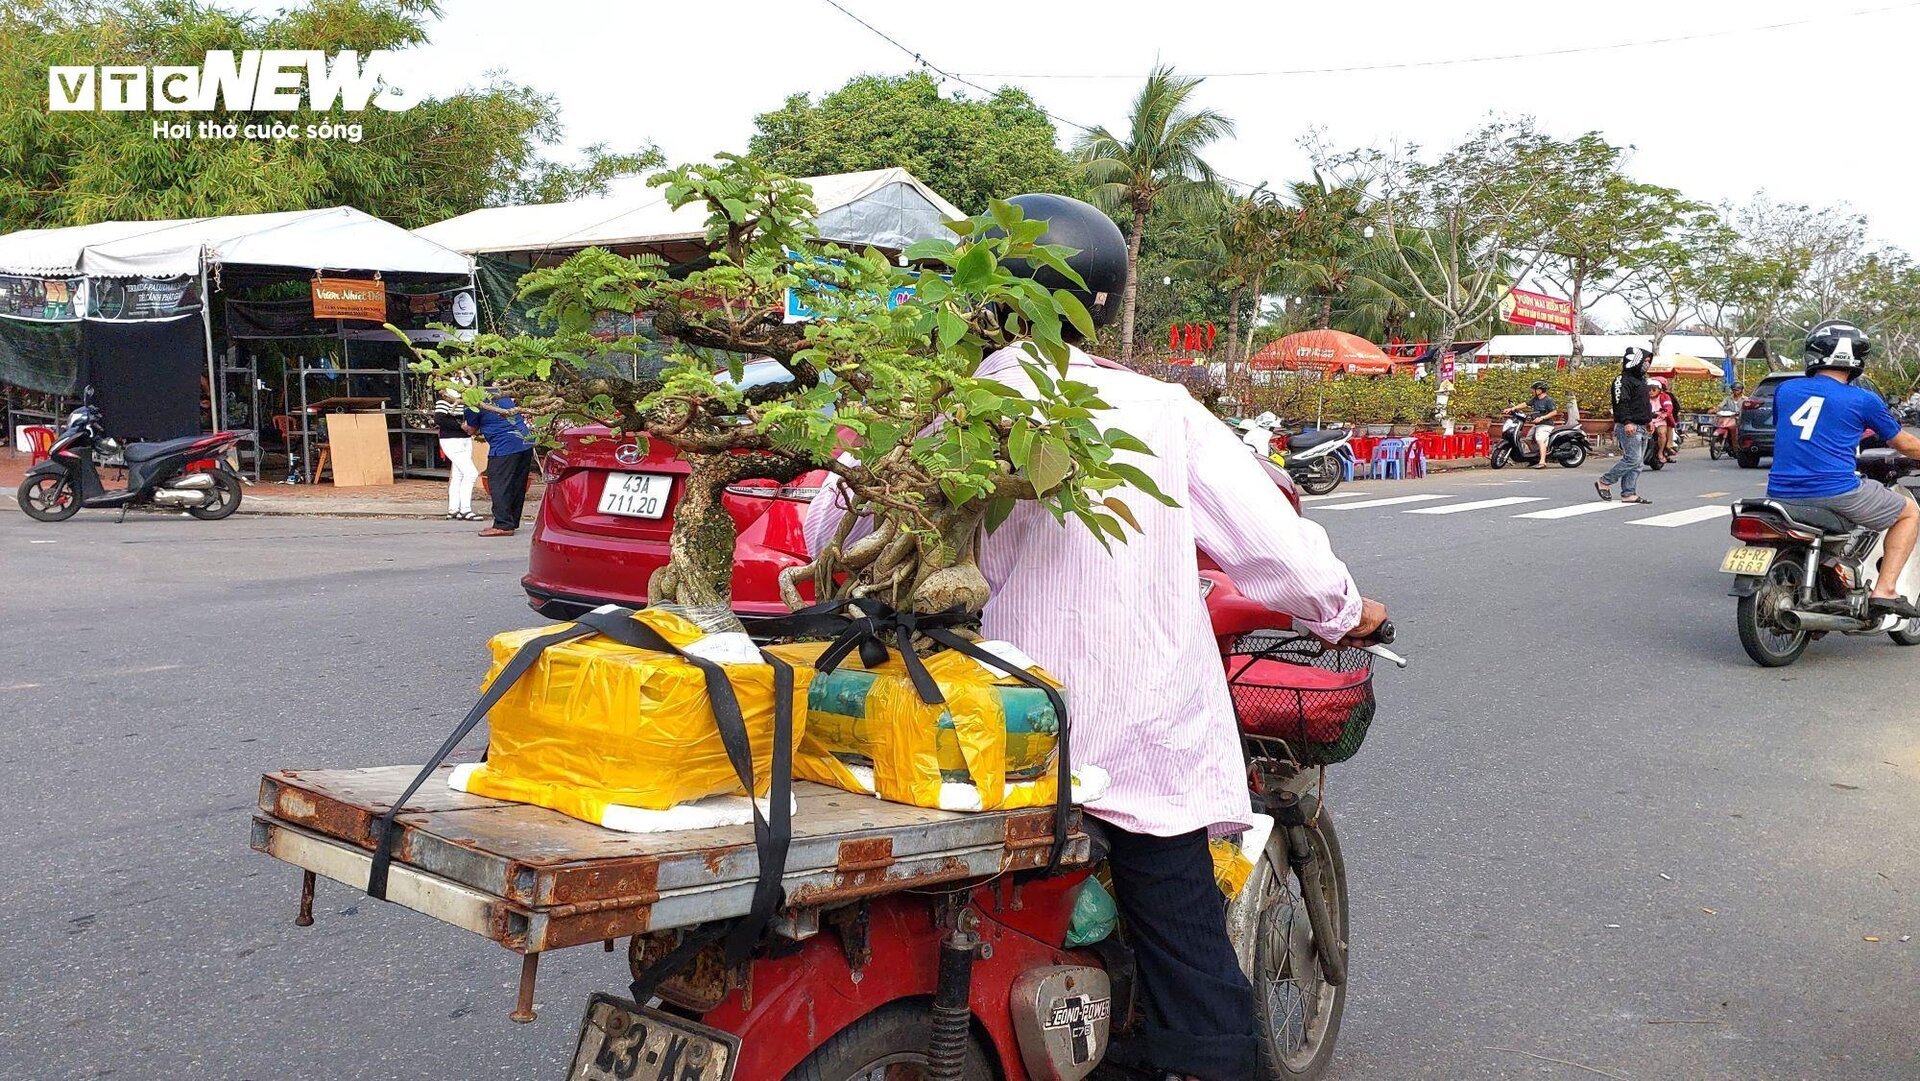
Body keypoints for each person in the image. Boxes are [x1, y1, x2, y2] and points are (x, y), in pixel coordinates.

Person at [802, 193, 1387, 1081]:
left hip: (968, 729)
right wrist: (1350, 611)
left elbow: (828, 535)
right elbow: (1280, 555)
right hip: (1119, 735)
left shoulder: (944, 406)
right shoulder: (1157, 410)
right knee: (1183, 929)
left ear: (984, 296)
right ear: (1101, 301)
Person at [1768, 320, 1920, 618]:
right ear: (1857, 359)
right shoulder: (1864, 399)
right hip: (1834, 490)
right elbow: (1906, 444)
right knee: (1909, 513)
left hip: (1780, 492)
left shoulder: (1785, 390)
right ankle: (1885, 590)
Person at [464, 389, 535, 538]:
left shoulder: (472, 404)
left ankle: (503, 525)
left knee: (498, 484)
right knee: (517, 484)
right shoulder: (501, 396)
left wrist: (462, 425)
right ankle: (511, 522)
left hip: (504, 447)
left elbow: (470, 429)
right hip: (525, 441)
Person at [1595, 347, 1654, 504]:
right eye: (1644, 361)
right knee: (1632, 459)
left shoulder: (1641, 380)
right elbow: (1621, 403)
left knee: (1638, 463)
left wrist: (1649, 420)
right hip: (1629, 426)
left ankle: (1628, 493)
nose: (1646, 364)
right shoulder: (1622, 380)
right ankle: (1605, 482)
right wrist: (1627, 422)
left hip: (1642, 426)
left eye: (1648, 362)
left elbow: (1644, 404)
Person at [434, 387, 481, 521]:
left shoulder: (466, 398)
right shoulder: (445, 399)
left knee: (458, 474)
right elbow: (439, 419)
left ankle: (454, 508)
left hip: (464, 438)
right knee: (470, 473)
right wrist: (461, 426)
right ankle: (465, 509)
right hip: (451, 439)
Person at [1508, 380, 1559, 468]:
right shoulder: (1535, 399)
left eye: (1534, 389)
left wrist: (1542, 418)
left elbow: (1554, 412)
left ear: (1539, 390)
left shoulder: (1548, 400)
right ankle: (1536, 457)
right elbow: (1525, 404)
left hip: (1546, 425)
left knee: (1540, 440)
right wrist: (1513, 408)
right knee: (1528, 439)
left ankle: (1543, 461)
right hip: (1537, 425)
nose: (1532, 391)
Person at [1649, 377, 1680, 462]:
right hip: (1647, 420)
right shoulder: (1644, 398)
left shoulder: (1665, 396)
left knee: (1662, 433)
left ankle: (1660, 452)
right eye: (1649, 389)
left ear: (1659, 390)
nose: (1651, 391)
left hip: (1660, 420)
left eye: (1653, 389)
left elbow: (1669, 406)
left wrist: (1665, 413)